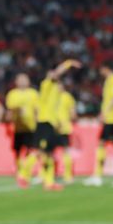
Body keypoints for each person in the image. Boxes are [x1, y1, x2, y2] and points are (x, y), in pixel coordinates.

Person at [35, 60, 81, 191]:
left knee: (48, 152)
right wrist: (68, 63)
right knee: (41, 151)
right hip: (45, 122)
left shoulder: (60, 94)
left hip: (55, 125)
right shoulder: (46, 84)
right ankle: (26, 174)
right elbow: (56, 74)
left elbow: (72, 112)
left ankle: (49, 180)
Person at [85, 64, 113, 187]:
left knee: (106, 144)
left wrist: (104, 113)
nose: (100, 71)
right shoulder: (110, 80)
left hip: (112, 118)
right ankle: (107, 175)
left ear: (106, 68)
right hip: (112, 117)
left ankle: (106, 176)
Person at [5, 73, 39, 188]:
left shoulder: (33, 94)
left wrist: (39, 124)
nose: (22, 81)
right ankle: (20, 173)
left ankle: (25, 174)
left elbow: (37, 110)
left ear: (28, 81)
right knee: (18, 152)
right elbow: (9, 111)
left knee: (33, 151)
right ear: (16, 81)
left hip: (31, 127)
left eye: (25, 79)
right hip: (17, 128)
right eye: (20, 79)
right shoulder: (12, 94)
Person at [55, 80, 77, 184]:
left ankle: (68, 175)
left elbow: (72, 112)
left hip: (64, 128)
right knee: (48, 152)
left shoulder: (67, 97)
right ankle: (48, 174)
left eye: (59, 86)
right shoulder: (51, 97)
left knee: (66, 151)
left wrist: (72, 118)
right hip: (52, 127)